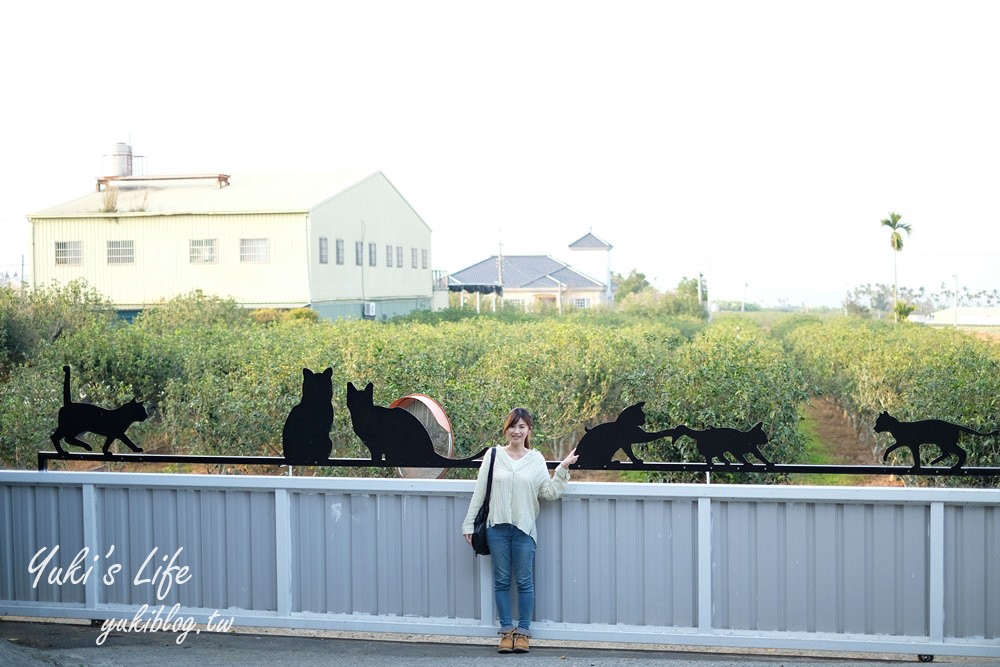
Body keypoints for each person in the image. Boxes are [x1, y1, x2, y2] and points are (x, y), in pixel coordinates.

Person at [462, 407, 579, 654]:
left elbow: (549, 493)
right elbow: (480, 493)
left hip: (525, 530)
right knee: (502, 580)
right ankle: (506, 632)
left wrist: (562, 469)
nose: (516, 431)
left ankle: (523, 633)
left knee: (525, 581)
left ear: (528, 430)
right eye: (512, 426)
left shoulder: (536, 459)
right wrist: (469, 523)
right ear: (506, 429)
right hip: (497, 529)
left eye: (521, 426)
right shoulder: (493, 456)